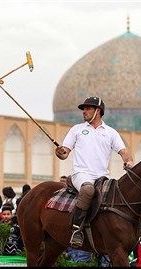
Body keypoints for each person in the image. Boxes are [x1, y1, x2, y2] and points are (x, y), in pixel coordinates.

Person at [55, 96, 134, 248]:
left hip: (102, 176)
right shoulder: (77, 129)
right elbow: (65, 154)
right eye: (83, 109)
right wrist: (60, 152)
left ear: (98, 111)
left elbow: (123, 152)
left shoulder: (110, 132)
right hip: (81, 174)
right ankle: (76, 230)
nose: (84, 111)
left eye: (87, 108)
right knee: (88, 190)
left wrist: (129, 161)